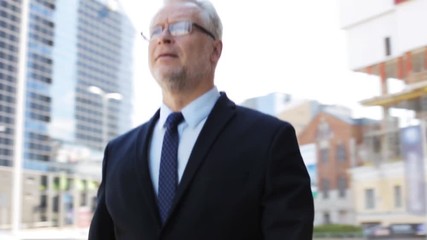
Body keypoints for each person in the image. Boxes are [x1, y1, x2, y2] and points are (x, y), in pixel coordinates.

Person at [88, 0, 314, 239]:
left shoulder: (269, 141)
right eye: (156, 30)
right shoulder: (117, 153)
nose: (163, 37)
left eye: (181, 27)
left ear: (214, 50)